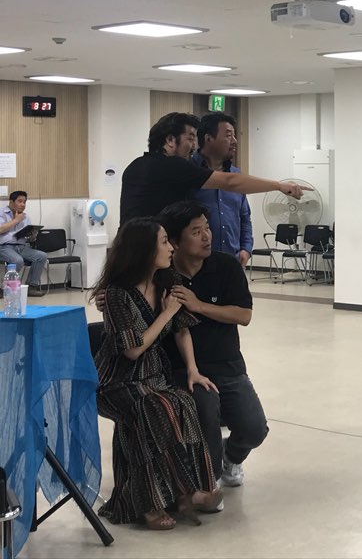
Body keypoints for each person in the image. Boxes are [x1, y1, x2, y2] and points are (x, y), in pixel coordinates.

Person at [91, 218, 223, 529]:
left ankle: (187, 491)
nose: (171, 248)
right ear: (145, 250)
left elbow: (181, 329)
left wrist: (192, 370)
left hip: (152, 376)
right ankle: (150, 502)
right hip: (116, 381)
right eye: (164, 242)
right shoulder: (116, 294)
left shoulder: (168, 280)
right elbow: (132, 350)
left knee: (183, 402)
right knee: (154, 408)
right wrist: (166, 313)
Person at [158, 201, 267, 488]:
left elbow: (243, 316)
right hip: (181, 369)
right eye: (196, 232)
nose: (207, 236)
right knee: (205, 417)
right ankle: (209, 479)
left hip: (226, 364)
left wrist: (200, 306)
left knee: (254, 429)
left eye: (207, 228)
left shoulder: (226, 266)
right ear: (175, 242)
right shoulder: (163, 274)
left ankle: (231, 457)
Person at [120, 112, 305, 224]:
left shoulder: (135, 166)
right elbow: (230, 182)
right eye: (190, 139)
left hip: (127, 248)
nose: (194, 146)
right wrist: (278, 186)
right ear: (170, 140)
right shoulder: (173, 166)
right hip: (149, 251)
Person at [191, 112, 253, 266]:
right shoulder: (189, 173)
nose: (234, 141)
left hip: (233, 260)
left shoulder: (236, 176)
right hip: (196, 263)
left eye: (234, 136)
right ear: (208, 138)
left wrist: (246, 249)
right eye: (228, 135)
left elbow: (244, 218)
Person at [0, 191, 48, 296]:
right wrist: (16, 220)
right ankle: (5, 289)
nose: (23, 204)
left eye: (24, 202)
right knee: (17, 260)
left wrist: (32, 236)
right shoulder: (2, 213)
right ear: (11, 202)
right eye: (20, 201)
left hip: (22, 247)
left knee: (41, 256)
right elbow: (1, 229)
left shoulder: (25, 217)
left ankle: (31, 287)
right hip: (4, 247)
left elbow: (29, 238)